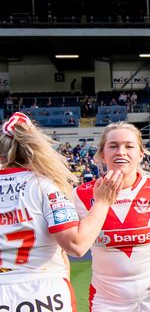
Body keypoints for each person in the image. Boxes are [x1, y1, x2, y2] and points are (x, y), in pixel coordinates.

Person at [0, 112, 122, 311]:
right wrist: (103, 202)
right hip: (43, 292)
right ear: (36, 150)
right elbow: (76, 244)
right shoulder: (45, 186)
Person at [73, 122, 150, 311]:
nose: (121, 152)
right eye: (113, 146)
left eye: (129, 146)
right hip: (106, 301)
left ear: (140, 154)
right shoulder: (79, 196)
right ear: (101, 154)